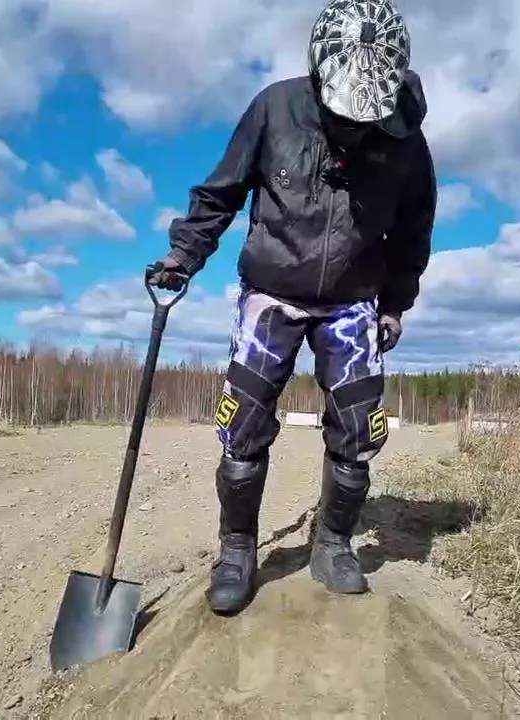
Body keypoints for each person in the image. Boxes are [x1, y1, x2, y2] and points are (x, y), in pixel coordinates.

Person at [146, 0, 436, 615]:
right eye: (343, 113)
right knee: (243, 423)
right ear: (318, 74)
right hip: (271, 291)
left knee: (359, 429)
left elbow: (414, 230)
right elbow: (220, 193)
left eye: (365, 118)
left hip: (353, 299)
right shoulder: (274, 109)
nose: (352, 126)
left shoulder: (407, 141)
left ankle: (333, 543)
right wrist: (183, 256)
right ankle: (237, 550)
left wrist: (395, 303)